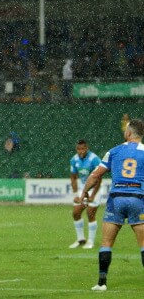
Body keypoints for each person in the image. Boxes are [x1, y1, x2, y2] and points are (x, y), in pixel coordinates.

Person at [80, 119, 144, 292]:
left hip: (116, 199)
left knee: (106, 242)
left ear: (129, 133)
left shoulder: (114, 151)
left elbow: (95, 175)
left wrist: (84, 191)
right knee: (143, 244)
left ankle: (101, 282)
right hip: (138, 199)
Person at [68, 140, 102, 249]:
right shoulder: (74, 160)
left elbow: (98, 178)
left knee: (90, 213)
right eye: (78, 149)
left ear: (87, 148)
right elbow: (73, 177)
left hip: (94, 189)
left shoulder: (94, 159)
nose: (80, 151)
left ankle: (90, 241)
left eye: (83, 149)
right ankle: (81, 239)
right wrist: (75, 194)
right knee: (76, 213)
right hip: (83, 189)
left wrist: (93, 195)